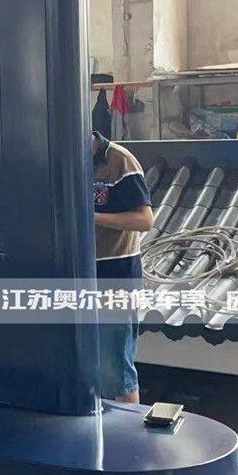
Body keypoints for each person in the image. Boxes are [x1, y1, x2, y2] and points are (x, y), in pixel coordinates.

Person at [92, 130, 154, 403]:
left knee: (116, 370)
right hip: (77, 278)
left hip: (115, 277)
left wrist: (93, 218)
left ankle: (128, 429)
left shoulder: (119, 161)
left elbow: (144, 220)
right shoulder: (62, 162)